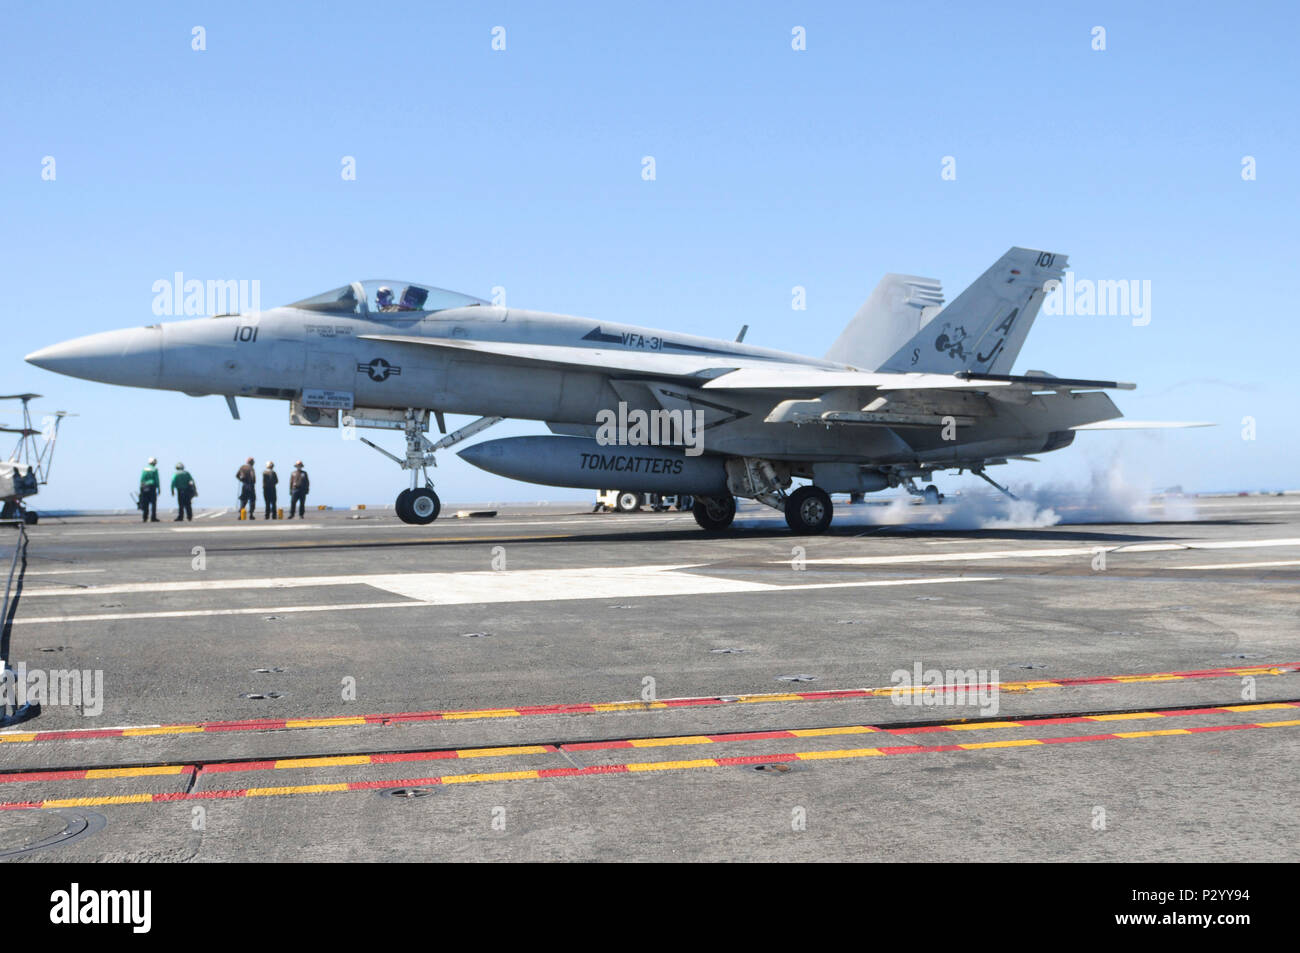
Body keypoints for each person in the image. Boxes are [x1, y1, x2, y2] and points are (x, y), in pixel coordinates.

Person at [139, 457, 160, 522]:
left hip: (144, 486)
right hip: (152, 486)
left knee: (145, 502)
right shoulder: (154, 469)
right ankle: (153, 517)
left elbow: (142, 479)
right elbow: (157, 479)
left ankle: (145, 517)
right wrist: (158, 488)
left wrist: (141, 488)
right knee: (153, 503)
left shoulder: (144, 469)